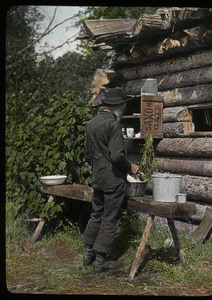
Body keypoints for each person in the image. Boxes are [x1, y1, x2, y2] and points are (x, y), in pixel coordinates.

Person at [81, 87, 139, 272]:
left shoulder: (91, 123)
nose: (124, 108)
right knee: (110, 218)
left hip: (97, 177)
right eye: (123, 105)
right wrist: (131, 167)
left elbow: (87, 155)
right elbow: (116, 156)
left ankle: (88, 254)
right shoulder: (113, 125)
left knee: (97, 214)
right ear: (117, 106)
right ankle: (100, 261)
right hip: (113, 179)